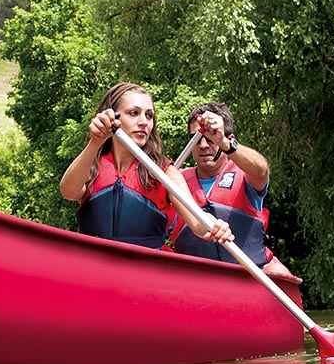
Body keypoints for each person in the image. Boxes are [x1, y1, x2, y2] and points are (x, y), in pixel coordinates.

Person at [60, 82, 233, 250]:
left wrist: (216, 226)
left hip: (143, 265)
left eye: (149, 115)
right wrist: (96, 141)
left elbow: (197, 221)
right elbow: (69, 192)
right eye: (134, 113)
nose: (144, 122)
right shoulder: (91, 165)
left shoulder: (165, 171)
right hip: (93, 263)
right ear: (114, 117)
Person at [173, 103, 297, 278]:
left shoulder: (247, 174)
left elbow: (261, 169)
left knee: (279, 273)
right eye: (196, 139)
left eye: (210, 138)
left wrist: (224, 142)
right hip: (194, 280)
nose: (203, 145)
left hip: (248, 277)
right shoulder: (174, 179)